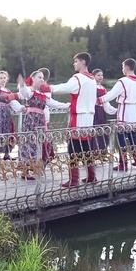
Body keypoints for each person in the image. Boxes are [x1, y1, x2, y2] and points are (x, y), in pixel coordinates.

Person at [39, 52, 97, 187]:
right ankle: (91, 176)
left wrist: (44, 87)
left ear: (83, 62)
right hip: (89, 119)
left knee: (73, 150)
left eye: (76, 61)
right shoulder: (92, 79)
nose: (74, 64)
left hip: (78, 118)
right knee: (86, 149)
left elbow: (63, 88)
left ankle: (74, 179)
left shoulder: (78, 78)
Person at [10, 69, 70, 180]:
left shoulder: (43, 94)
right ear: (33, 78)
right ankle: (25, 171)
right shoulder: (30, 91)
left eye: (43, 78)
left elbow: (54, 104)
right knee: (28, 144)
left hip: (41, 121)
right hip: (30, 121)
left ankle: (35, 168)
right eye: (39, 77)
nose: (42, 79)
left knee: (40, 144)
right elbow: (24, 93)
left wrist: (67, 105)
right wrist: (22, 84)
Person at [98, 58, 136, 170]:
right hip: (135, 110)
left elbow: (111, 95)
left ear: (127, 67)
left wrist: (99, 100)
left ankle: (123, 164)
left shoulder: (123, 81)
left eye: (123, 67)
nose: (122, 69)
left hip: (125, 110)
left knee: (121, 137)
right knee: (133, 136)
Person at [90, 69, 117, 152]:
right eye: (98, 75)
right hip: (93, 111)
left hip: (101, 112)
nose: (100, 77)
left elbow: (106, 103)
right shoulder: (91, 87)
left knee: (102, 132)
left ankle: (101, 153)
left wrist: (116, 110)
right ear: (93, 76)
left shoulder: (103, 88)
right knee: (93, 131)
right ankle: (91, 153)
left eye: (101, 75)